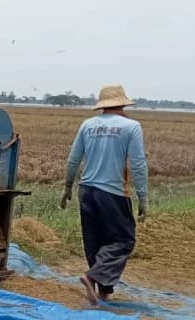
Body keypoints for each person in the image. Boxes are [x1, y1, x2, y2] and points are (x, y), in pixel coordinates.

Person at [60, 84, 149, 306]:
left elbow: (73, 160)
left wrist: (67, 187)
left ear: (103, 105)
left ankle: (103, 293)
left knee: (95, 242)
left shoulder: (87, 125)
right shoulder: (132, 126)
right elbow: (138, 165)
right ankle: (92, 277)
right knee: (122, 240)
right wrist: (143, 199)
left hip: (86, 191)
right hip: (113, 192)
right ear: (122, 103)